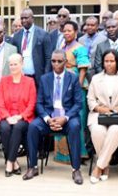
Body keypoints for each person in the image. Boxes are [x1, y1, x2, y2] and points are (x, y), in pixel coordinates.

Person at [24, 50, 84, 184]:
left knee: (75, 126)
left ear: (66, 62)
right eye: (53, 61)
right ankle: (32, 166)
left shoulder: (73, 78)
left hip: (67, 117)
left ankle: (76, 169)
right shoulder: (45, 78)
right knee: (33, 127)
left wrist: (65, 118)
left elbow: (78, 103)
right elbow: (39, 103)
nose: (56, 64)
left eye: (59, 61)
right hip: (49, 117)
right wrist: (47, 119)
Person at [87, 49, 118, 183]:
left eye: (112, 61)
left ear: (117, 62)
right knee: (97, 131)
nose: (108, 64)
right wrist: (100, 109)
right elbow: (90, 99)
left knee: (114, 130)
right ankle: (106, 165)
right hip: (99, 113)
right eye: (106, 61)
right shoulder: (96, 78)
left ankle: (99, 166)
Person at [53, 20, 90, 162]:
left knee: (77, 119)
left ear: (76, 32)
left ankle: (78, 154)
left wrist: (78, 86)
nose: (67, 33)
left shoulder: (80, 47)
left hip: (76, 86)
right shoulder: (62, 46)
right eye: (65, 30)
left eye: (70, 30)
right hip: (61, 87)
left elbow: (83, 69)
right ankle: (63, 155)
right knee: (61, 115)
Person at [0, 54, 36, 177]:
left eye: (15, 64)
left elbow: (32, 103)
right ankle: (15, 163)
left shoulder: (29, 81)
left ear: (22, 64)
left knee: (18, 127)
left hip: (23, 117)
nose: (13, 67)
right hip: (6, 116)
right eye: (11, 64)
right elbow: (0, 102)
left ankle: (9, 161)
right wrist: (7, 117)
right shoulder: (4, 81)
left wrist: (19, 117)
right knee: (4, 128)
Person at [11, 8, 52, 86]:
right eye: (22, 18)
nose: (23, 20)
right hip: (21, 77)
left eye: (26, 18)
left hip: (38, 77)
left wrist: (46, 76)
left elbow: (48, 57)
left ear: (32, 18)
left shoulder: (43, 34)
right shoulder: (17, 36)